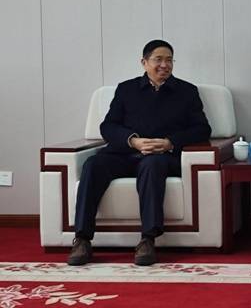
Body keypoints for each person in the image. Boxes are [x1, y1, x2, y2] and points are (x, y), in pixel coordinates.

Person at [67, 40, 211, 266]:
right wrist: (133, 141)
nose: (165, 65)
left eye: (169, 60)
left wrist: (169, 143)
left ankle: (148, 240)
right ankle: (82, 239)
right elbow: (108, 126)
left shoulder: (187, 91)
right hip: (124, 154)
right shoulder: (126, 89)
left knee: (152, 165)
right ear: (144, 62)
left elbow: (202, 129)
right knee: (93, 165)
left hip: (161, 157)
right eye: (158, 59)